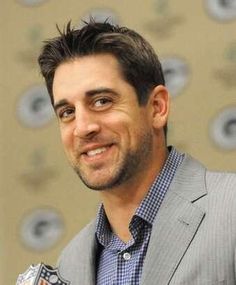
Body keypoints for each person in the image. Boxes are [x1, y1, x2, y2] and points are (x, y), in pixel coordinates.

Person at [38, 20, 236, 285]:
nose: (83, 128)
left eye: (102, 101)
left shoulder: (230, 209)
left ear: (157, 107)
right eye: (67, 112)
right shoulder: (69, 265)